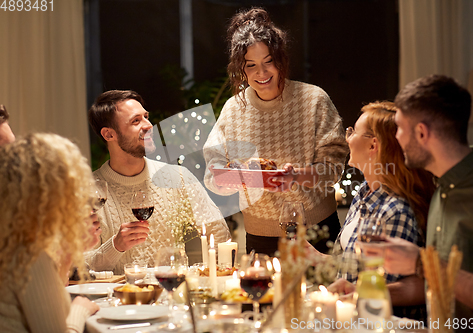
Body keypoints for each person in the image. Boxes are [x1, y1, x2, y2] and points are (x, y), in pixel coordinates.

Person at [203, 8, 349, 256]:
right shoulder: (233, 109)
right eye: (251, 65)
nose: (261, 73)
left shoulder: (314, 99)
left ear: (281, 60)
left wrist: (295, 176)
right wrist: (250, 177)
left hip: (316, 232)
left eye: (268, 62)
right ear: (241, 69)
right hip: (260, 238)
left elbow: (333, 169)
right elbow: (213, 178)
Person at [363, 75, 473, 322]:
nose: (396, 138)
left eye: (400, 128)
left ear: (422, 132)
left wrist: (420, 263)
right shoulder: (442, 187)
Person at [86, 90, 230, 274]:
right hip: (118, 300)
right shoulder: (88, 191)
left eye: (146, 117)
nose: (148, 125)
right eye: (136, 121)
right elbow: (80, 266)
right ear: (108, 134)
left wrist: (212, 281)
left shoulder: (178, 178)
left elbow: (219, 234)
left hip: (173, 293)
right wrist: (115, 246)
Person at [324, 101, 435, 320]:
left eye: (353, 131)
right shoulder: (363, 194)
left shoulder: (395, 210)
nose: (347, 138)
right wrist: (313, 258)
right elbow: (351, 267)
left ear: (373, 146)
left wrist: (354, 296)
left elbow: (386, 289)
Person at [0, 133, 99, 333]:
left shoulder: (12, 239)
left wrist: (71, 250)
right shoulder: (28, 256)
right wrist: (79, 310)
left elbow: (50, 294)